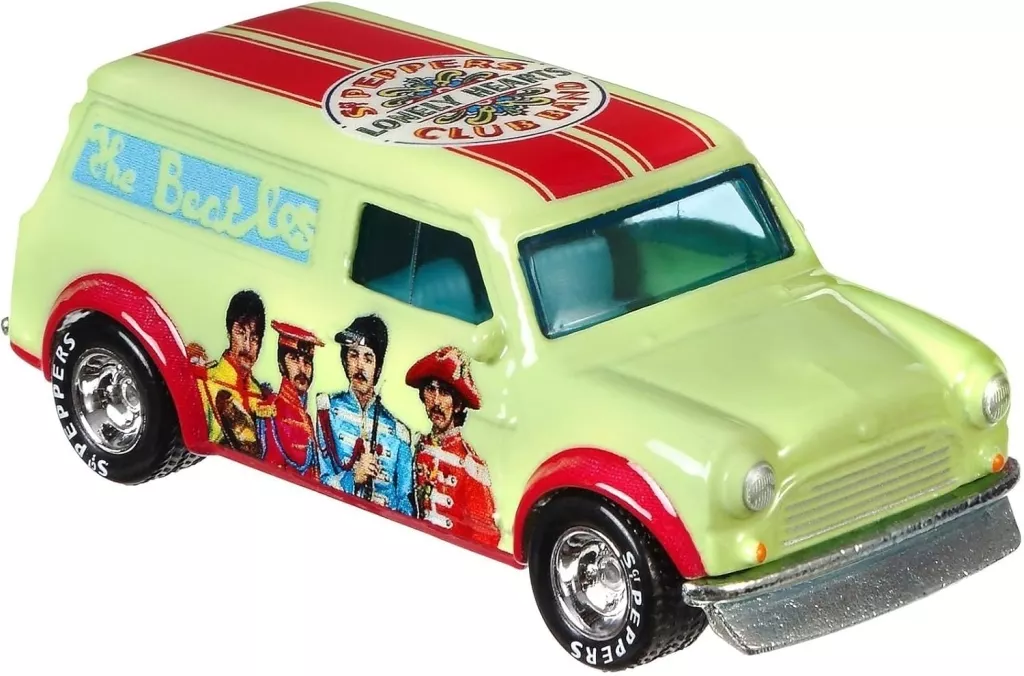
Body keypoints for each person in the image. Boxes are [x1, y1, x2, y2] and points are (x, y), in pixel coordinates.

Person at [314, 315, 414, 516]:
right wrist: (353, 477)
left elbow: (406, 501)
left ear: (377, 367)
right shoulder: (328, 411)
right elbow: (321, 479)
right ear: (345, 361)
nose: (360, 366)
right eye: (353, 355)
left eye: (368, 358)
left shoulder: (399, 433)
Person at [406, 346, 500, 548]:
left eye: (444, 392)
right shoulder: (416, 446)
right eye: (431, 390)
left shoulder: (471, 465)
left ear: (457, 405)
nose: (436, 402)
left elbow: (485, 537)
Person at [190, 290, 272, 457]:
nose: (247, 346)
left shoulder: (263, 398)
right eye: (241, 333)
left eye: (254, 339)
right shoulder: (205, 383)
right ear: (229, 334)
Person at [256, 321, 323, 478]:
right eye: (294, 359)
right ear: (281, 365)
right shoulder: (269, 409)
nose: (302, 369)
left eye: (307, 362)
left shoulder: (307, 420)